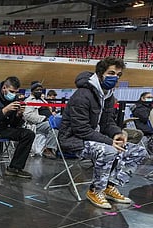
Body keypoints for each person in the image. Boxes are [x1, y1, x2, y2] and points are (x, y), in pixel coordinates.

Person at [58, 57, 148, 209]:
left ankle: (110, 186)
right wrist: (108, 141)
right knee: (109, 150)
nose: (115, 77)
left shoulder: (108, 95)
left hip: (95, 139)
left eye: (118, 75)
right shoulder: (82, 95)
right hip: (73, 140)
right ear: (100, 74)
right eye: (111, 73)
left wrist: (118, 133)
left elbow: (107, 123)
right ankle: (95, 190)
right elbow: (81, 129)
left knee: (139, 152)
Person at [24, 81, 57, 159]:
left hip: (48, 121)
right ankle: (48, 149)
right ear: (32, 90)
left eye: (40, 90)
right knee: (52, 127)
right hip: (37, 124)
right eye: (37, 90)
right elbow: (27, 115)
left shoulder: (43, 100)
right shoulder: (29, 101)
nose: (39, 92)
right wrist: (44, 118)